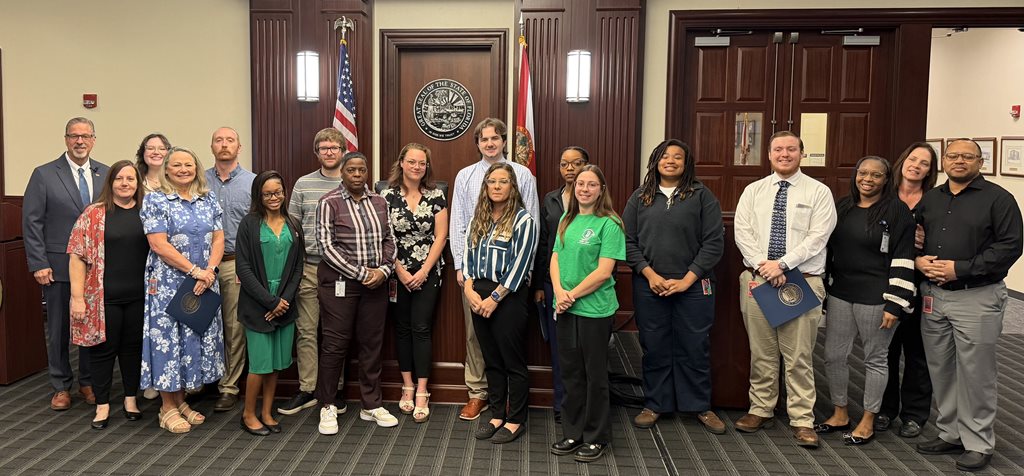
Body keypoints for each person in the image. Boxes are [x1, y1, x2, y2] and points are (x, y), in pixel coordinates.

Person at [914, 138, 1023, 472]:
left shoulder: (999, 199)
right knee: (942, 369)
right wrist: (919, 262)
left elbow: (1010, 247)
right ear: (944, 160)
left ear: (980, 162)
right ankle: (950, 432)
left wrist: (959, 268)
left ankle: (978, 441)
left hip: (977, 295)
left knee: (976, 372)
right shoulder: (932, 198)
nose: (959, 161)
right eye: (952, 155)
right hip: (934, 296)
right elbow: (915, 238)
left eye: (967, 156)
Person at [733, 131, 837, 448]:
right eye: (778, 149)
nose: (785, 154)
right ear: (769, 154)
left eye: (791, 149)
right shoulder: (754, 191)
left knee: (799, 356)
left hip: (802, 280)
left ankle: (802, 419)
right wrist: (765, 266)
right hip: (758, 279)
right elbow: (743, 232)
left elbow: (818, 237)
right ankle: (760, 408)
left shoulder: (819, 192)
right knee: (761, 352)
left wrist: (783, 264)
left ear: (802, 154)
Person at [623, 139, 726, 434]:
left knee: (694, 345)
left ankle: (699, 405)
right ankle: (655, 403)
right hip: (649, 284)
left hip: (694, 285)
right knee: (654, 345)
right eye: (665, 156)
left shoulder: (702, 196)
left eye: (677, 157)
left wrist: (688, 279)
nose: (671, 161)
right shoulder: (640, 197)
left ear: (686, 163)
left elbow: (713, 243)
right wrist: (650, 275)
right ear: (655, 161)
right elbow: (628, 242)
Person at [817, 156, 916, 445]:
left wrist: (896, 302)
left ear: (887, 179)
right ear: (855, 174)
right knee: (834, 356)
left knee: (875, 358)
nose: (868, 179)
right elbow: (828, 252)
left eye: (876, 175)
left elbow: (904, 256)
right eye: (863, 173)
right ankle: (839, 413)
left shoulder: (897, 211)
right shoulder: (843, 207)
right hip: (841, 293)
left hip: (877, 296)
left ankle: (869, 418)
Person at [449, 117, 539, 421]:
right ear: (477, 143)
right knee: (477, 337)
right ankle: (478, 393)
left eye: (495, 138)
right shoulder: (465, 176)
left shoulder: (523, 174)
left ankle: (513, 403)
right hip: (473, 276)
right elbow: (460, 223)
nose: (489, 143)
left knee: (508, 341)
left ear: (504, 141)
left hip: (511, 278)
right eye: (483, 139)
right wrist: (463, 271)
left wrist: (520, 275)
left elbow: (532, 222)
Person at [23, 117, 110, 410]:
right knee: (59, 327)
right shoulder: (44, 174)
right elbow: (31, 222)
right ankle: (61, 385)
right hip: (57, 266)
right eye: (74, 136)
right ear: (66, 139)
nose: (80, 142)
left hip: (95, 268)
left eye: (86, 136)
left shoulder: (106, 174)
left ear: (94, 139)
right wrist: (38, 263)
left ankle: (87, 382)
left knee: (89, 326)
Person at [140, 147, 225, 434]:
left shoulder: (207, 198)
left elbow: (218, 238)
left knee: (191, 340)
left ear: (197, 168)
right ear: (166, 169)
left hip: (203, 282)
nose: (183, 169)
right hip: (168, 284)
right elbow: (158, 245)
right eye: (176, 165)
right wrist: (194, 271)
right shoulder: (155, 200)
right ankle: (167, 408)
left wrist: (210, 271)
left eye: (188, 164)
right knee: (169, 342)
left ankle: (181, 401)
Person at [315, 151, 399, 434]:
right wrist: (363, 273)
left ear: (367, 173)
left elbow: (390, 239)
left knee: (371, 346)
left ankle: (371, 404)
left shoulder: (380, 201)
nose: (357, 175)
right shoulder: (329, 203)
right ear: (342, 172)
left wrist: (384, 271)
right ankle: (327, 404)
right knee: (334, 345)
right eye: (351, 170)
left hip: (376, 284)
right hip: (341, 283)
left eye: (361, 170)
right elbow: (327, 247)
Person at [548, 164, 624, 462]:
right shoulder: (568, 219)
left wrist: (571, 295)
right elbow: (554, 258)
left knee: (595, 376)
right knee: (571, 374)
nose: (584, 189)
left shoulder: (610, 223)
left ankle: (595, 437)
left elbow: (604, 272)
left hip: (594, 310)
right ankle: (573, 432)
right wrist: (558, 292)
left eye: (592, 184)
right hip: (565, 306)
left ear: (601, 189)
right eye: (581, 183)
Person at [67, 160, 149, 429]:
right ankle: (102, 405)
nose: (125, 183)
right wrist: (77, 297)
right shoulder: (94, 213)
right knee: (103, 351)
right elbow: (77, 257)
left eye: (131, 179)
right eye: (119, 179)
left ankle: (130, 399)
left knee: (132, 349)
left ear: (138, 184)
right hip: (103, 297)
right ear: (110, 182)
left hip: (141, 297)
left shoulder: (148, 212)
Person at [465, 163, 538, 445]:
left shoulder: (523, 220)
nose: (496, 186)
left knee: (512, 361)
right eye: (492, 181)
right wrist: (470, 290)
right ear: (485, 186)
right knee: (491, 360)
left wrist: (494, 299)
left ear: (512, 187)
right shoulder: (477, 219)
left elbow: (520, 266)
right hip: (478, 294)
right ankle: (496, 414)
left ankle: (516, 419)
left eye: (503, 181)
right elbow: (469, 259)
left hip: (507, 296)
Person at [279, 128, 346, 415]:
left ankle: (334, 389)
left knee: (336, 333)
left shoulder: (352, 181)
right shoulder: (303, 185)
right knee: (306, 331)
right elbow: (291, 227)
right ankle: (308, 389)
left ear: (343, 151)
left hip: (341, 270)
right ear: (316, 152)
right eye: (323, 148)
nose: (329, 152)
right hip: (308, 268)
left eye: (334, 147)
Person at [380, 143, 448, 423]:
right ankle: (406, 385)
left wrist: (422, 271)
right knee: (402, 329)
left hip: (428, 272)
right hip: (396, 273)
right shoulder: (385, 195)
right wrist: (401, 271)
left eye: (422, 163)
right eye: (412, 162)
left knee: (421, 328)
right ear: (402, 163)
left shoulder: (436, 195)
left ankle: (422, 390)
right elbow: (384, 238)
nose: (417, 167)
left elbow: (441, 237)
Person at [235, 171, 305, 436]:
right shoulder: (249, 224)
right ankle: (248, 414)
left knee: (276, 363)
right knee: (260, 364)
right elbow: (243, 268)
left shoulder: (293, 224)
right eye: (268, 194)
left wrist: (283, 300)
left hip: (285, 304)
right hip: (257, 304)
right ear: (259, 196)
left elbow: (298, 267)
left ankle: (266, 412)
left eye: (278, 192)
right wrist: (270, 301)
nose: (274, 198)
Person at [878, 142, 938, 438]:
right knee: (885, 349)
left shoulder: (935, 201)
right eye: (912, 159)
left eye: (924, 163)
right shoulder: (882, 197)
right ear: (902, 161)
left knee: (917, 351)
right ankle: (885, 410)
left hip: (921, 284)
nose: (916, 165)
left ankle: (914, 415)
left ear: (930, 170)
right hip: (885, 282)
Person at [533, 146, 589, 424]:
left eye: (576, 163)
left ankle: (586, 405)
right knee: (559, 346)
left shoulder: (596, 201)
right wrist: (541, 284)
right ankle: (561, 403)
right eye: (564, 164)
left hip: (588, 283)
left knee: (585, 348)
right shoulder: (551, 199)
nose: (570, 168)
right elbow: (544, 242)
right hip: (554, 282)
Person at [204, 126, 256, 413]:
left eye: (230, 140)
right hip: (199, 267)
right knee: (200, 323)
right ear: (212, 147)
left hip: (235, 263)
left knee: (233, 328)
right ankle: (200, 381)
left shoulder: (253, 182)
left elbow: (257, 228)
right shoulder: (198, 181)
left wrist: (246, 267)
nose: (224, 145)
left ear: (239, 147)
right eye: (218, 140)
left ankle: (229, 385)